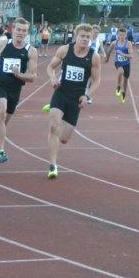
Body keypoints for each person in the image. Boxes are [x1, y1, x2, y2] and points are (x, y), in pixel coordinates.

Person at [45, 23, 101, 179]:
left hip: (76, 99)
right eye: (82, 36)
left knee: (63, 139)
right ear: (76, 36)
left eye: (88, 37)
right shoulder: (64, 50)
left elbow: (97, 81)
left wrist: (87, 96)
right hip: (61, 93)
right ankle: (53, 165)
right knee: (53, 127)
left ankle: (60, 119)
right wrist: (53, 78)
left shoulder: (94, 57)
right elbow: (50, 67)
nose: (85, 39)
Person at [0, 17, 38, 163]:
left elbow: (32, 76)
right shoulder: (3, 43)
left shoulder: (31, 51)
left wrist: (19, 75)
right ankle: (1, 151)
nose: (21, 33)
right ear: (13, 30)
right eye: (18, 29)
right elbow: (0, 62)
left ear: (27, 33)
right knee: (1, 111)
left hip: (15, 89)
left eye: (24, 31)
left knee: (4, 121)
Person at [105, 26, 135, 104]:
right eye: (120, 35)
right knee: (120, 72)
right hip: (118, 62)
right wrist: (107, 58)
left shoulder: (128, 44)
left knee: (125, 80)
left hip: (126, 64)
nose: (122, 36)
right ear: (117, 35)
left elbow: (131, 56)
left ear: (126, 35)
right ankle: (118, 86)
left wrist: (123, 54)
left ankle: (124, 93)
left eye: (123, 35)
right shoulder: (114, 43)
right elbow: (109, 52)